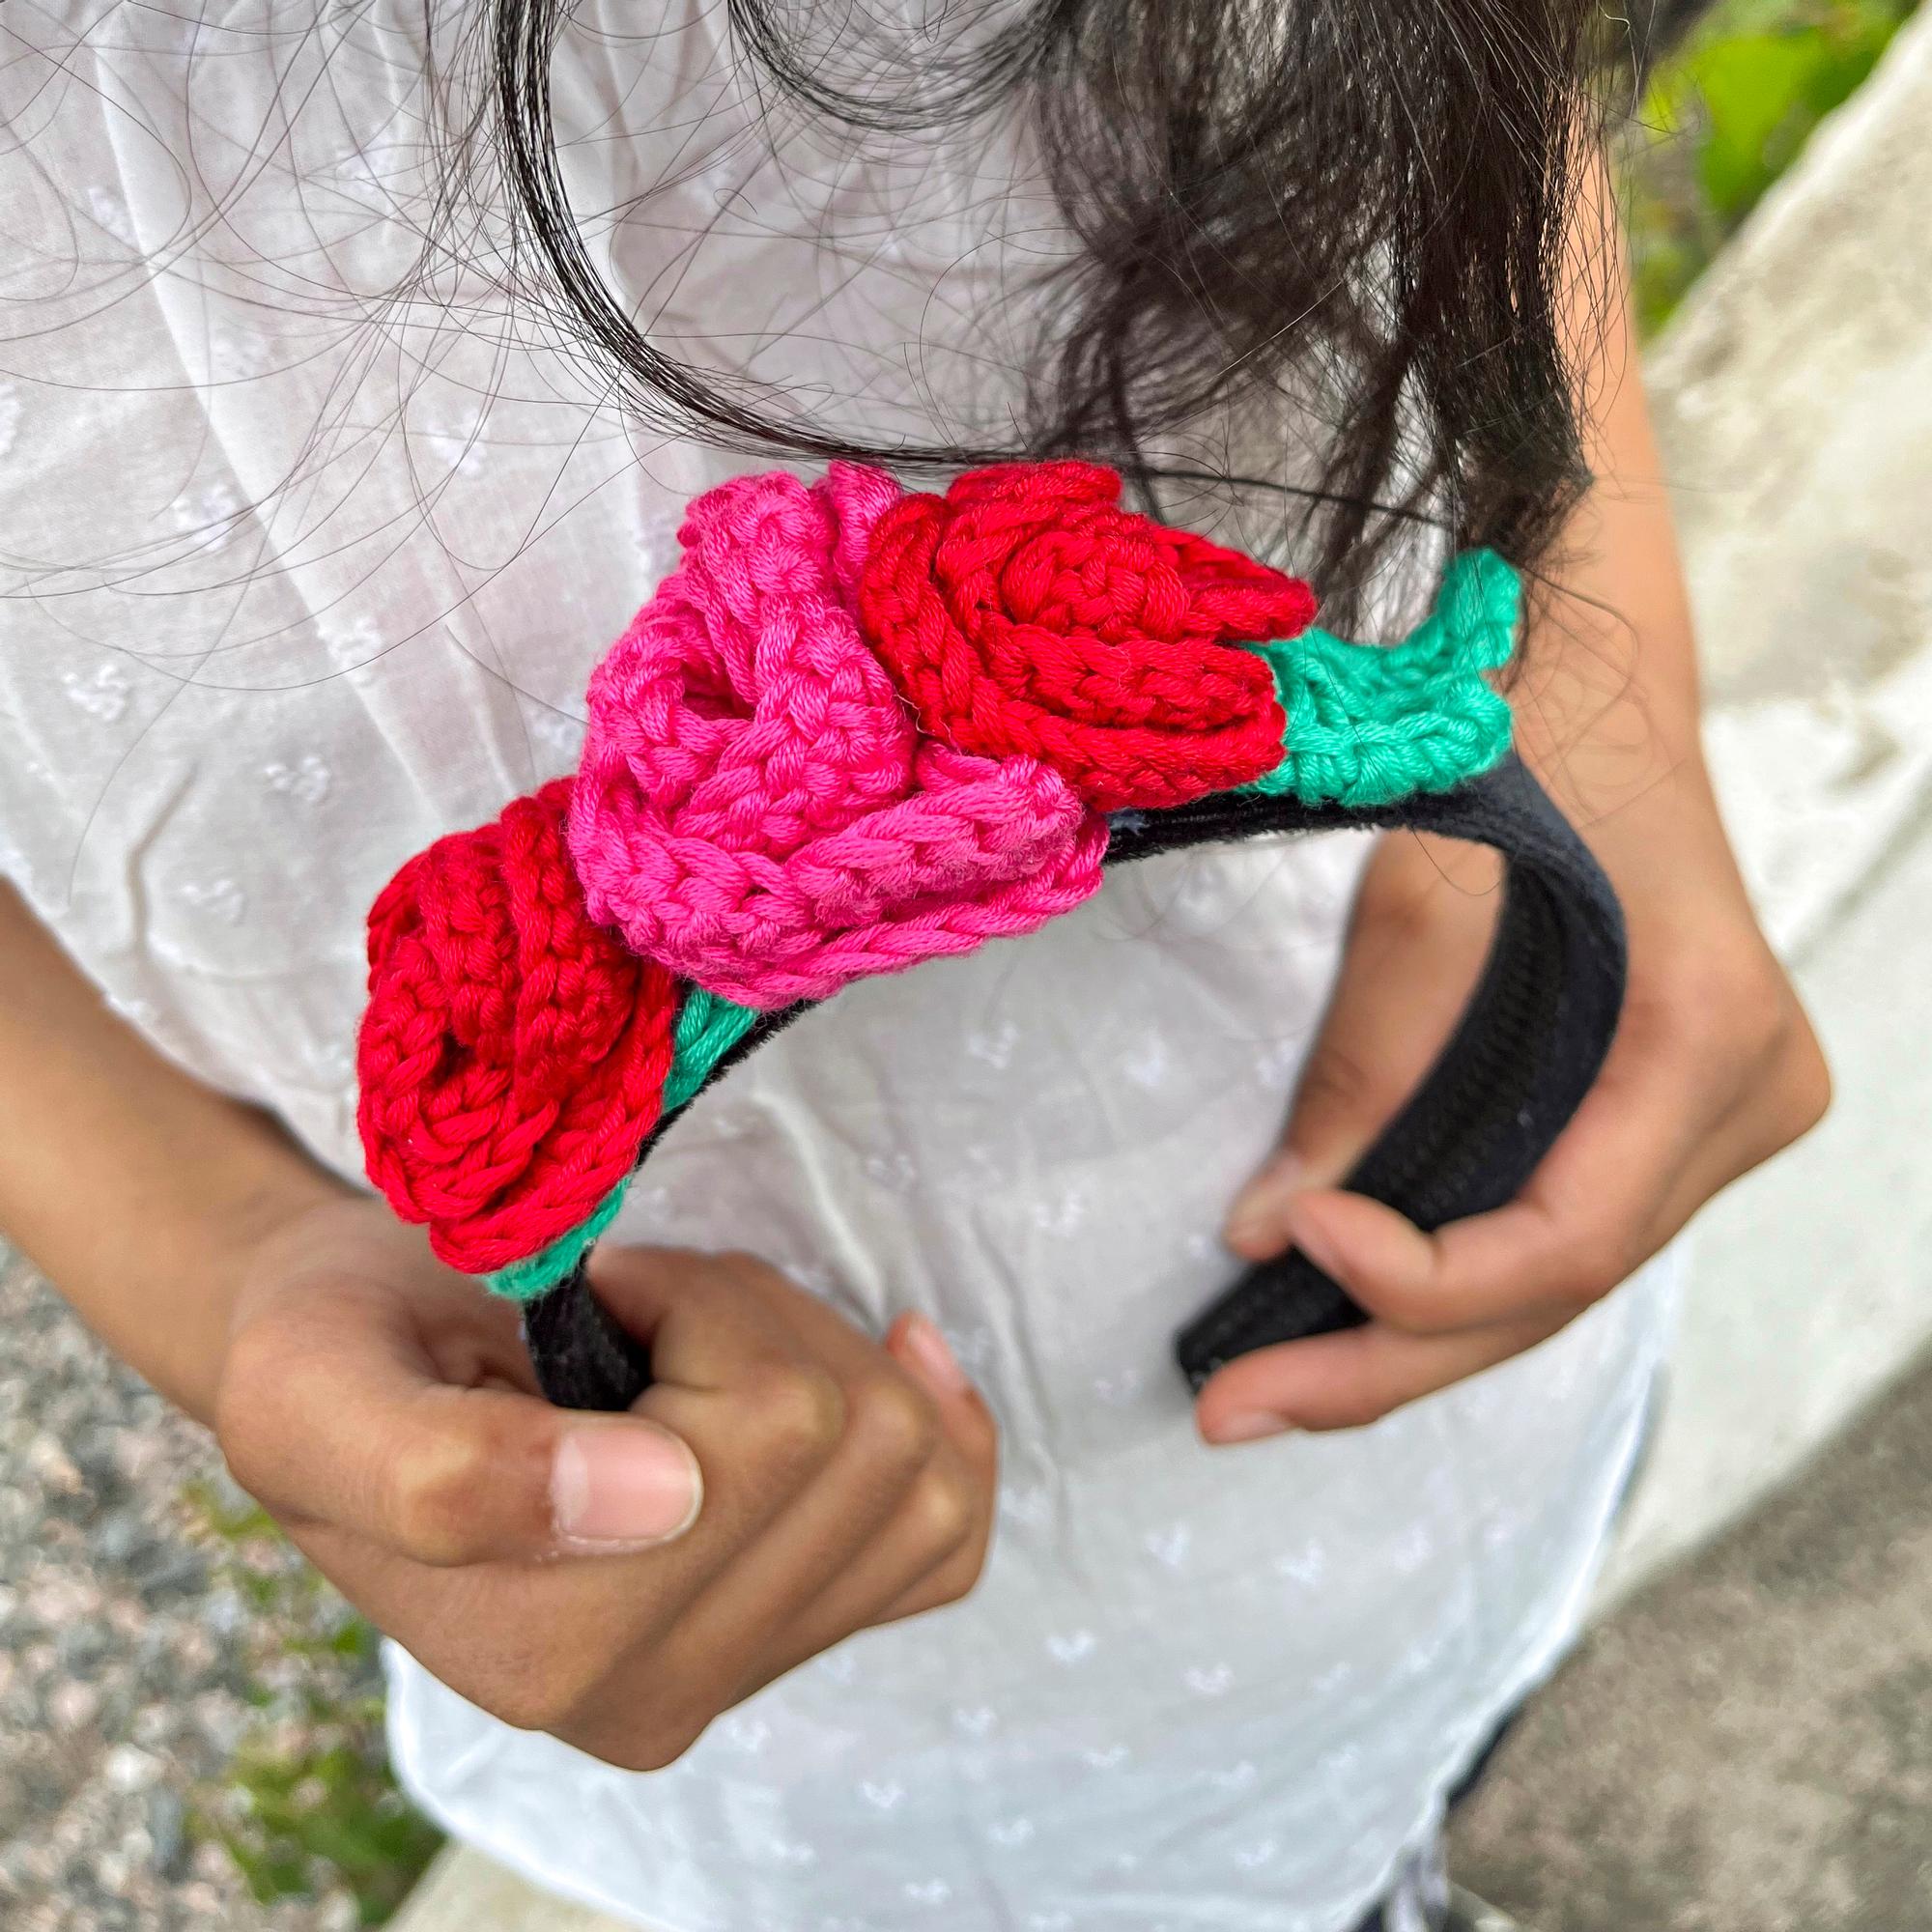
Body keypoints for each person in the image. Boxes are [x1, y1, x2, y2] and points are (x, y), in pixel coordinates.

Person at [0, 4, 1827, 1929]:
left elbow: (1459, 65)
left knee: (1425, 1757)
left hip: (1449, 1286)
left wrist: (1604, 729)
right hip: (813, 1709)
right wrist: (234, 1264)